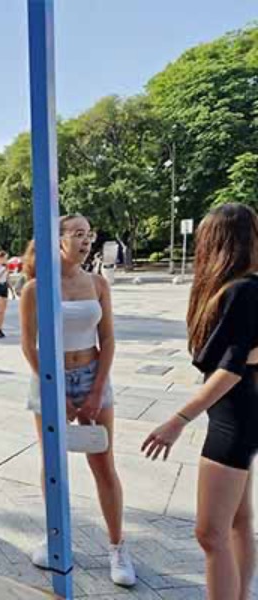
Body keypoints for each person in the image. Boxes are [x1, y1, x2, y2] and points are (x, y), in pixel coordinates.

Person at [143, 203, 258, 600]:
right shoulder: (247, 288)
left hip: (234, 417)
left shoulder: (242, 290)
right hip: (242, 414)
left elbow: (230, 369)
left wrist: (178, 419)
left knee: (210, 533)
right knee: (238, 522)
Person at [20, 214, 136, 587]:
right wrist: (54, 390)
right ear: (57, 239)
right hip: (49, 379)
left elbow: (109, 340)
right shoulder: (35, 288)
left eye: (89, 235)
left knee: (103, 464)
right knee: (52, 462)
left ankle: (117, 546)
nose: (85, 241)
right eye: (77, 234)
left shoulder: (99, 283)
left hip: (91, 374)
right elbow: (28, 344)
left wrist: (97, 390)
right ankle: (56, 537)